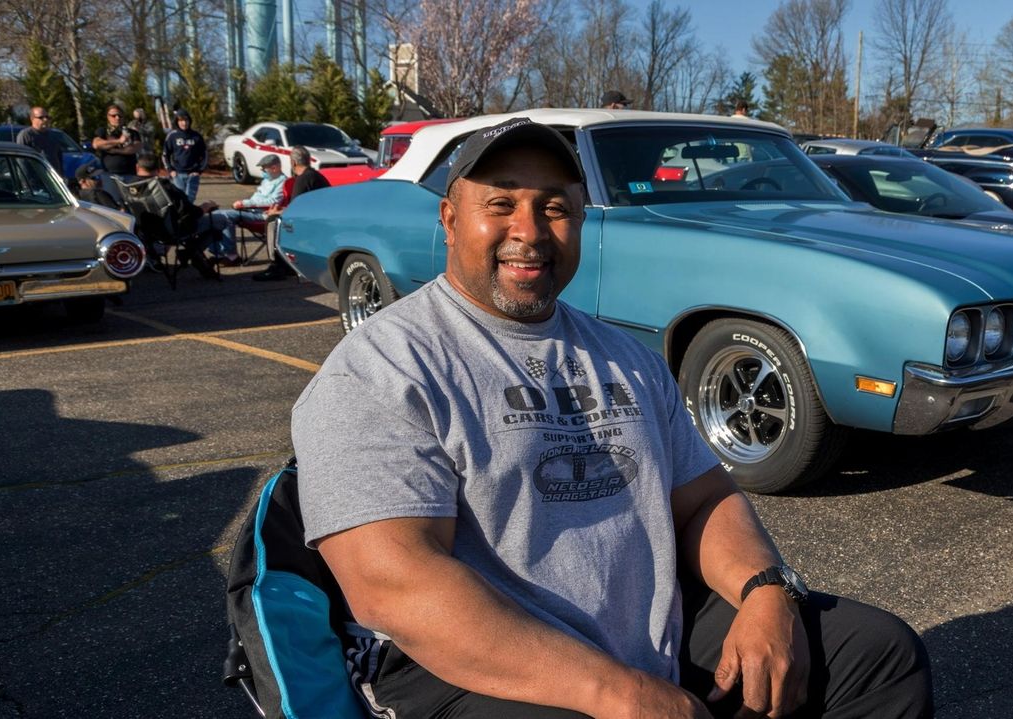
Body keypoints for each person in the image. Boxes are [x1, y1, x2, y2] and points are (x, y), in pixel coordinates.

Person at [291, 117, 933, 719]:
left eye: (556, 208)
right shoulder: (383, 368)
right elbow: (395, 584)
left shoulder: (628, 358)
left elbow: (704, 496)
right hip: (470, 662)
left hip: (646, 629)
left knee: (879, 656)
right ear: (450, 219)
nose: (532, 230)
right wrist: (614, 692)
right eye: (501, 204)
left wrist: (767, 591)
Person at [253, 145, 329, 281]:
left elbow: (295, 209)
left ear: (293, 162)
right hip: (321, 219)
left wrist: (276, 212)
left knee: (272, 221)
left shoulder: (302, 179)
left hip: (311, 223)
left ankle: (278, 265)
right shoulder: (316, 176)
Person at [202, 153, 287, 266]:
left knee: (225, 216)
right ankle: (220, 252)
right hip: (250, 210)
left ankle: (231, 255)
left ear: (275, 168)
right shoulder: (266, 181)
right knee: (215, 215)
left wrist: (244, 203)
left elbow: (272, 202)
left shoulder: (283, 182)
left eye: (264, 169)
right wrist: (244, 204)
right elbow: (256, 198)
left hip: (263, 214)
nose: (262, 171)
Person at [162, 109, 208, 203]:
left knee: (190, 201)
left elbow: (204, 154)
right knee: (179, 201)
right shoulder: (172, 136)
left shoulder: (196, 136)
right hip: (178, 175)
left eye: (186, 120)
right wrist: (171, 170)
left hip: (193, 175)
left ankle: (191, 217)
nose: (184, 123)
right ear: (177, 122)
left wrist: (199, 170)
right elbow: (165, 155)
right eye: (181, 120)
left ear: (189, 121)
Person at [93, 104, 143, 177]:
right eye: (113, 116)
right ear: (108, 117)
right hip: (109, 174)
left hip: (130, 173)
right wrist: (119, 141)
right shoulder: (102, 131)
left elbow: (136, 148)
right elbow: (96, 144)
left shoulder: (132, 132)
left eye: (120, 116)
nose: (117, 118)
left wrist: (115, 150)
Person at [15, 107, 65, 176]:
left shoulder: (53, 136)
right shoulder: (26, 135)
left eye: (47, 117)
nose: (45, 120)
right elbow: (22, 161)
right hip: (36, 180)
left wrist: (61, 177)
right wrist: (25, 183)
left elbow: (59, 158)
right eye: (41, 117)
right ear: (32, 119)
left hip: (52, 179)